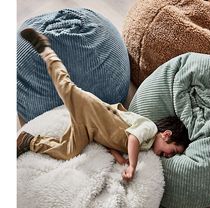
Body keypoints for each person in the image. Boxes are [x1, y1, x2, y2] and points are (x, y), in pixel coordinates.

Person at [17, 28, 190, 182]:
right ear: (166, 135)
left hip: (89, 130)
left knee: (68, 151)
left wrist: (121, 160)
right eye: (172, 151)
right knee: (64, 85)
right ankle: (46, 51)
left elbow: (110, 142)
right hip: (94, 111)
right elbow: (132, 138)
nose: (168, 156)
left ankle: (29, 141)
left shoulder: (145, 147)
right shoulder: (149, 128)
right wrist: (132, 166)